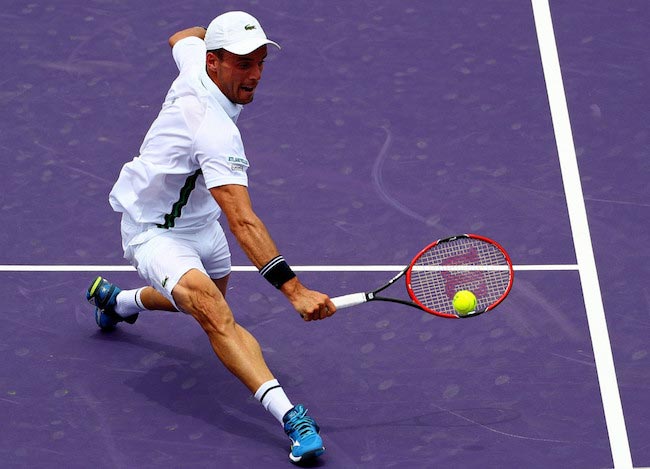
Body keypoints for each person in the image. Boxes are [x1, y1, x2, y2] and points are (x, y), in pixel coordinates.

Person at [86, 11, 336, 464]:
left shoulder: (196, 61)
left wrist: (211, 37)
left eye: (260, 61)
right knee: (215, 313)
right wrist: (294, 291)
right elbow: (243, 221)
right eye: (243, 63)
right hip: (154, 231)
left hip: (201, 226)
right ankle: (292, 418)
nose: (255, 74)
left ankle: (120, 302)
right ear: (216, 62)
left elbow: (181, 35)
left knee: (202, 302)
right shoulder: (214, 131)